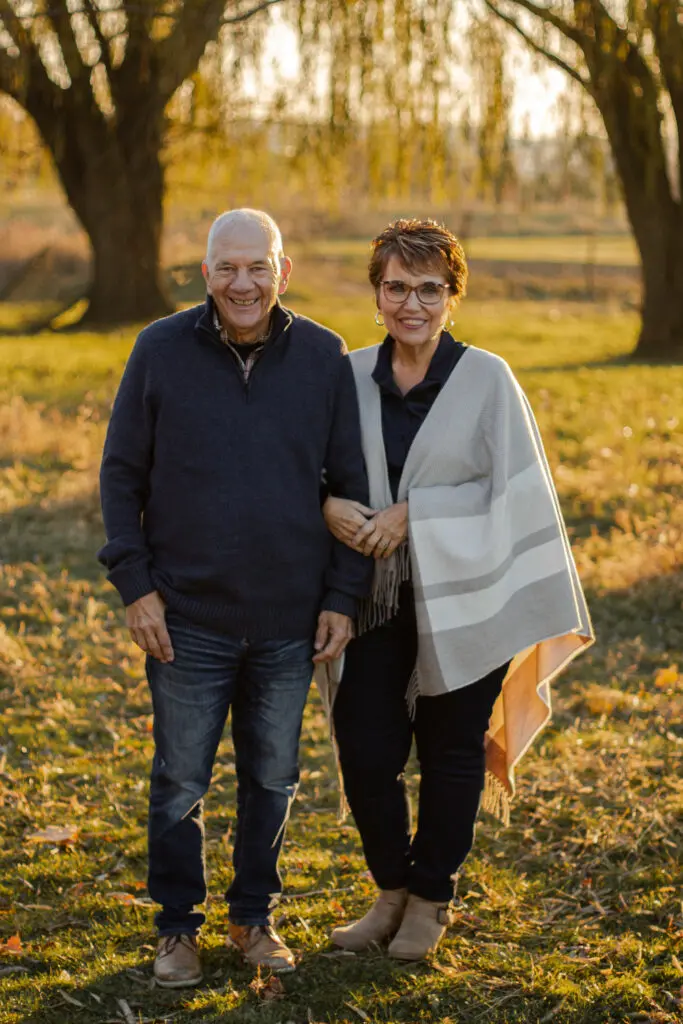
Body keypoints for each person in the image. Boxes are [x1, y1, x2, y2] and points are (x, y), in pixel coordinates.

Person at [98, 209, 371, 988]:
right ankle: (176, 928)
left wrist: (342, 597)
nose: (242, 283)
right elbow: (120, 475)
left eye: (258, 267)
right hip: (186, 617)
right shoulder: (159, 350)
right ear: (206, 273)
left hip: (290, 619)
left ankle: (254, 916)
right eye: (227, 268)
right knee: (180, 781)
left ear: (282, 271)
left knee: (272, 778)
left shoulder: (323, 356)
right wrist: (136, 588)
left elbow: (350, 483)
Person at [321, 218, 594, 962]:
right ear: (376, 293)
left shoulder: (487, 380)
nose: (411, 304)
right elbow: (312, 467)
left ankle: (430, 898)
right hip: (372, 597)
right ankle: (389, 890)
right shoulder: (346, 376)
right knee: (365, 749)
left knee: (449, 750)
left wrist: (417, 513)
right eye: (396, 288)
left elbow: (515, 491)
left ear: (453, 296)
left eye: (429, 289)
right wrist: (326, 505)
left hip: (470, 596)